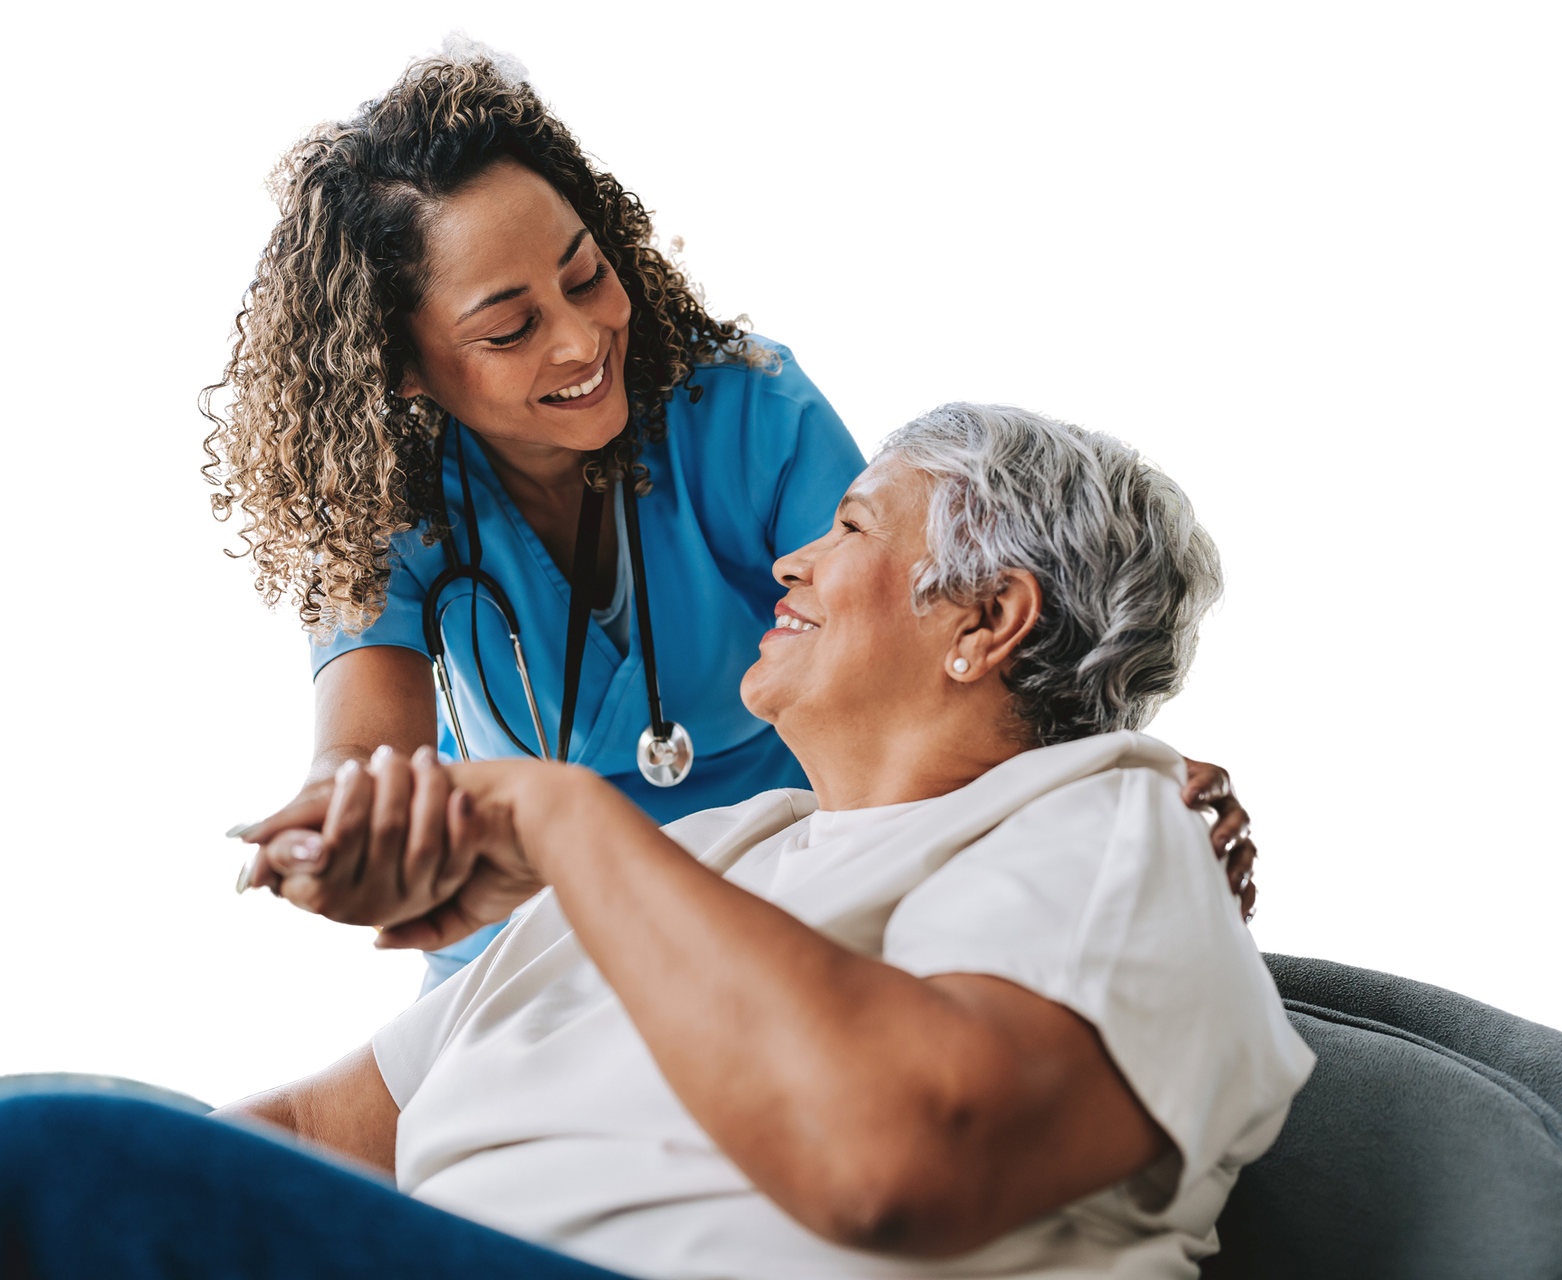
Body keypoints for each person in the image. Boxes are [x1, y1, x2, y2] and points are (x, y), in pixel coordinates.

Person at [5, 400, 1312, 1278]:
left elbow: (895, 1162)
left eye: (852, 526)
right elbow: (306, 1129)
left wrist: (560, 810)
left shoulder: (1112, 829)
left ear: (986, 621)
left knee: (53, 1157)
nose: (792, 561)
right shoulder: (711, 855)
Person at [200, 26, 1262, 993]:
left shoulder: (751, 410)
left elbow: (929, 644)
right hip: (515, 949)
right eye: (509, 329)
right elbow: (361, 756)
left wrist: (1121, 778)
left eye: (586, 275)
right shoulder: (387, 498)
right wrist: (342, 829)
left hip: (768, 908)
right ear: (399, 367)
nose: (581, 340)